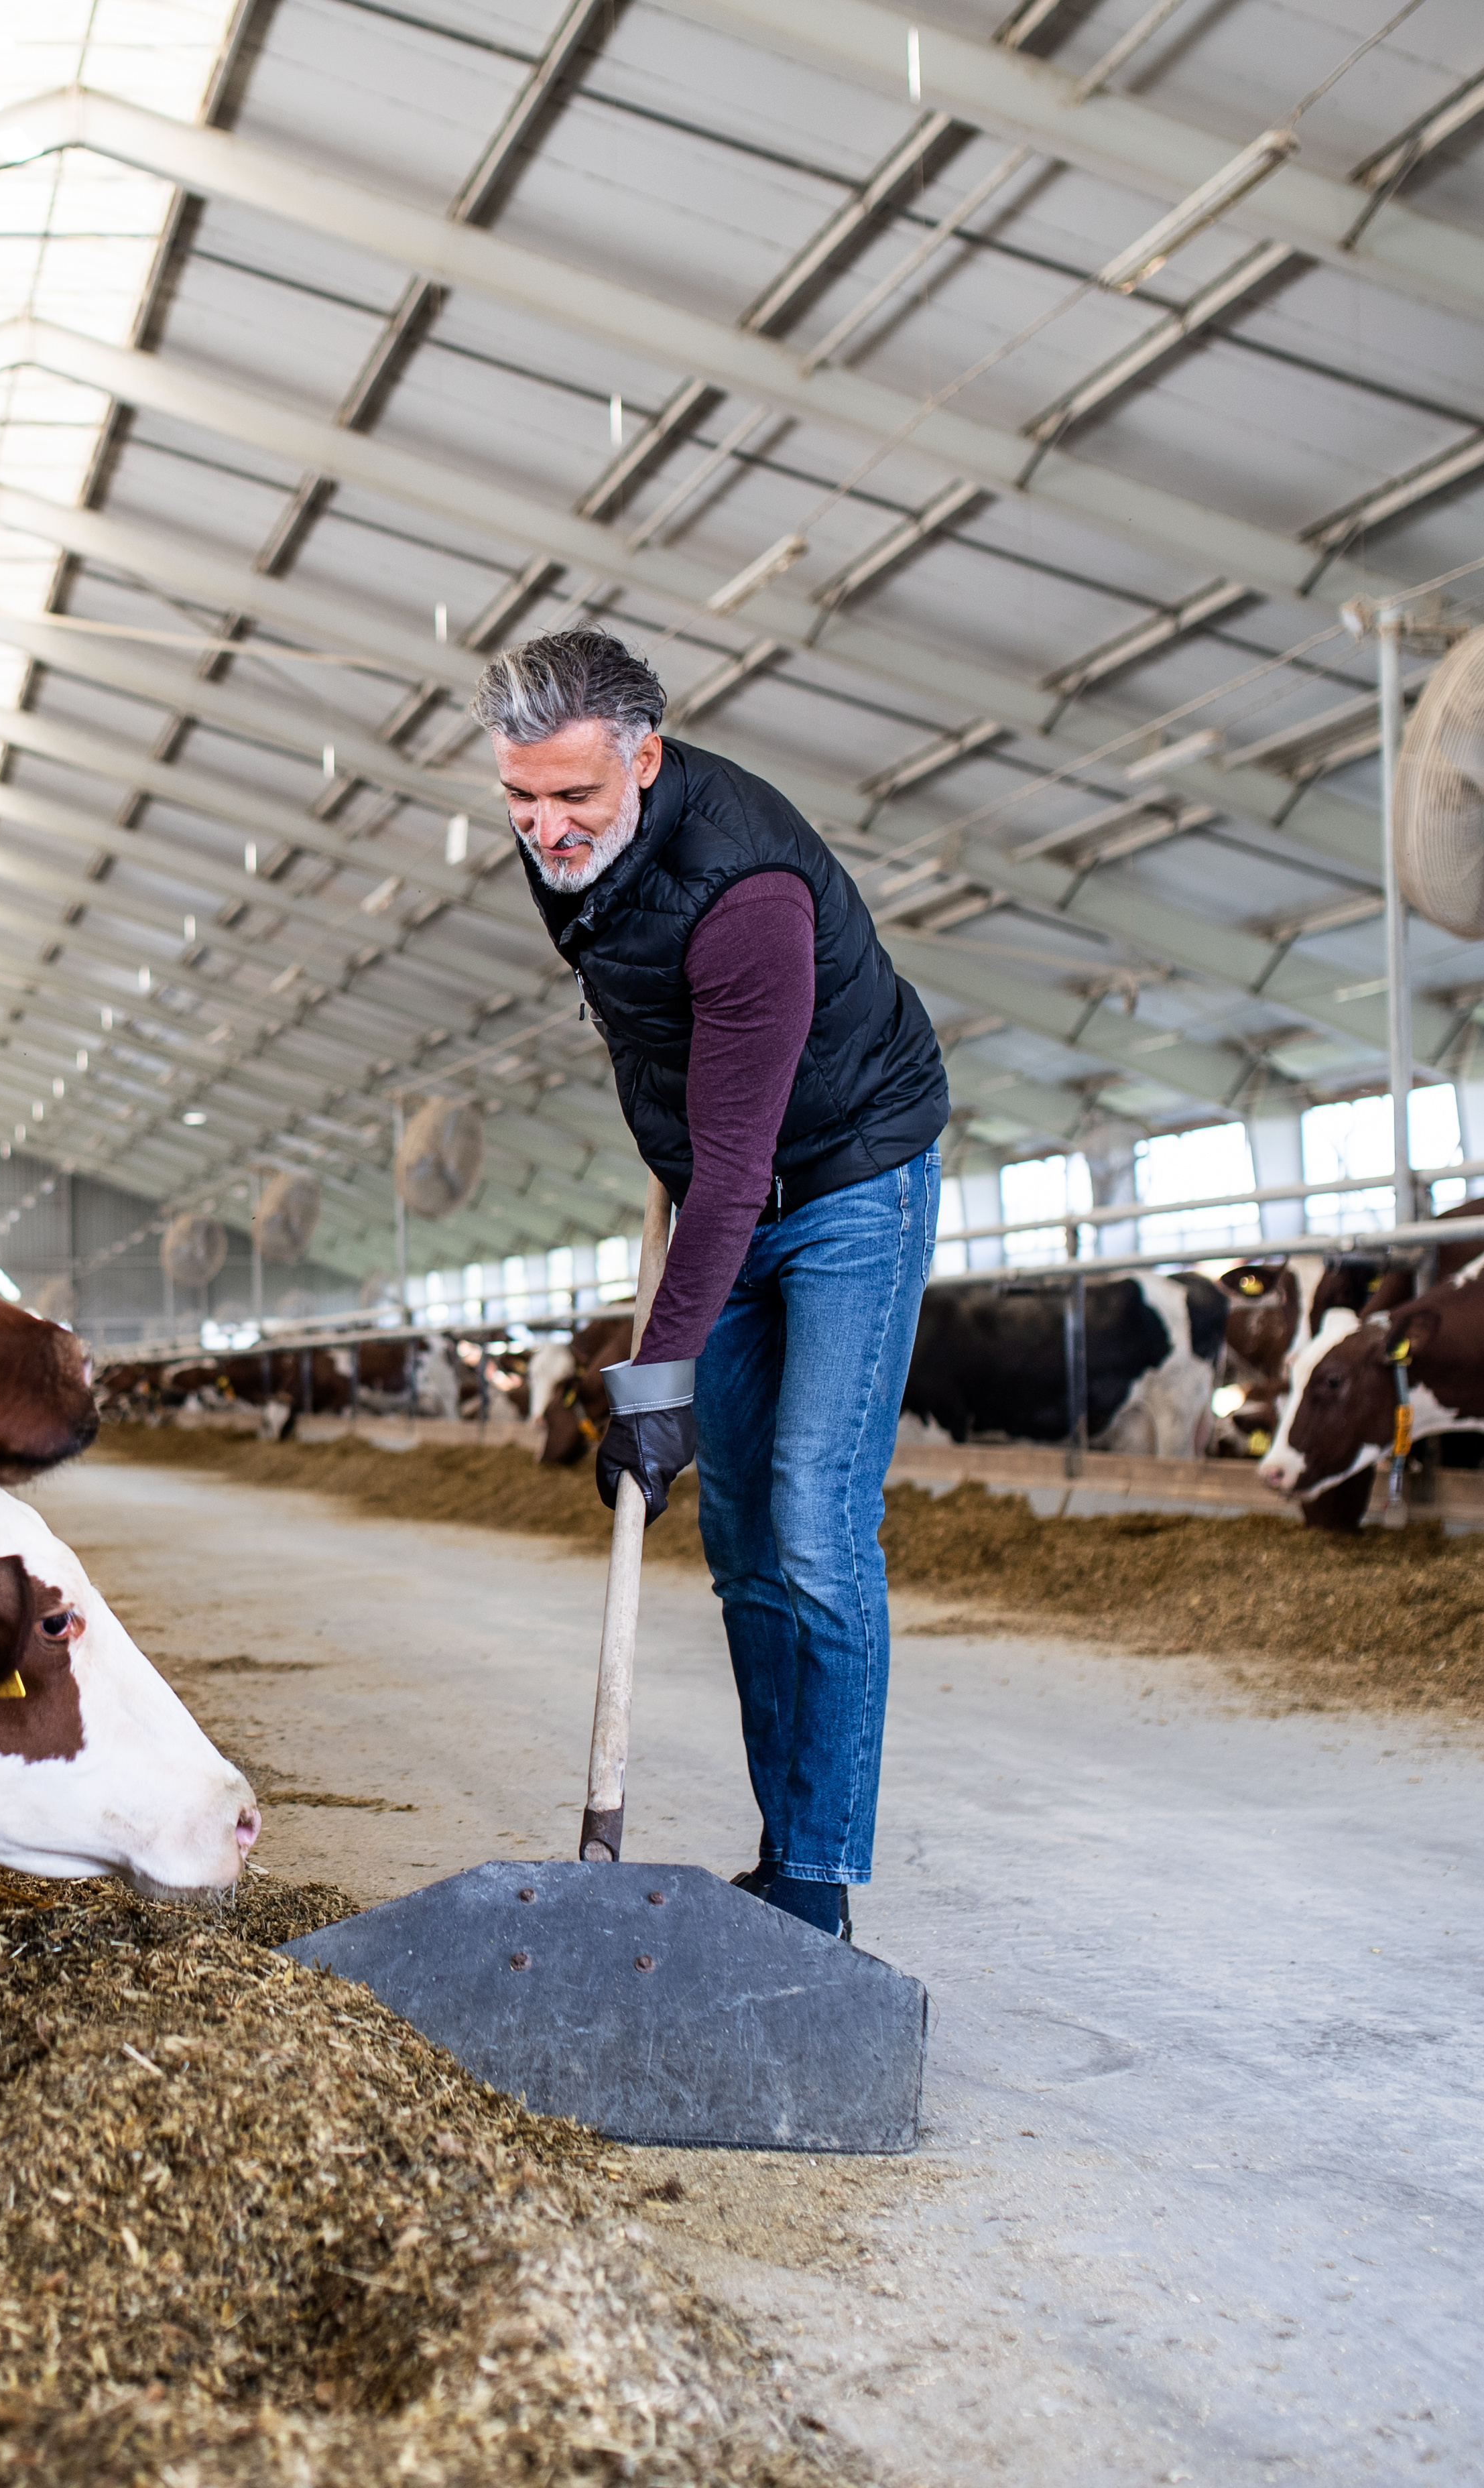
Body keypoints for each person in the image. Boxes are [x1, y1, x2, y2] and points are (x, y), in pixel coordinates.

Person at [472, 629, 946, 1941]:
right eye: (521, 797)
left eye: (576, 796)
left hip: (849, 1177)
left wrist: (653, 1373)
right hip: (723, 1181)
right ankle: (783, 1856)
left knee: (810, 1520)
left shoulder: (747, 892)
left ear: (648, 757)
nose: (547, 827)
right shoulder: (564, 847)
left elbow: (735, 1169)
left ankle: (817, 1877)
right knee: (739, 1545)